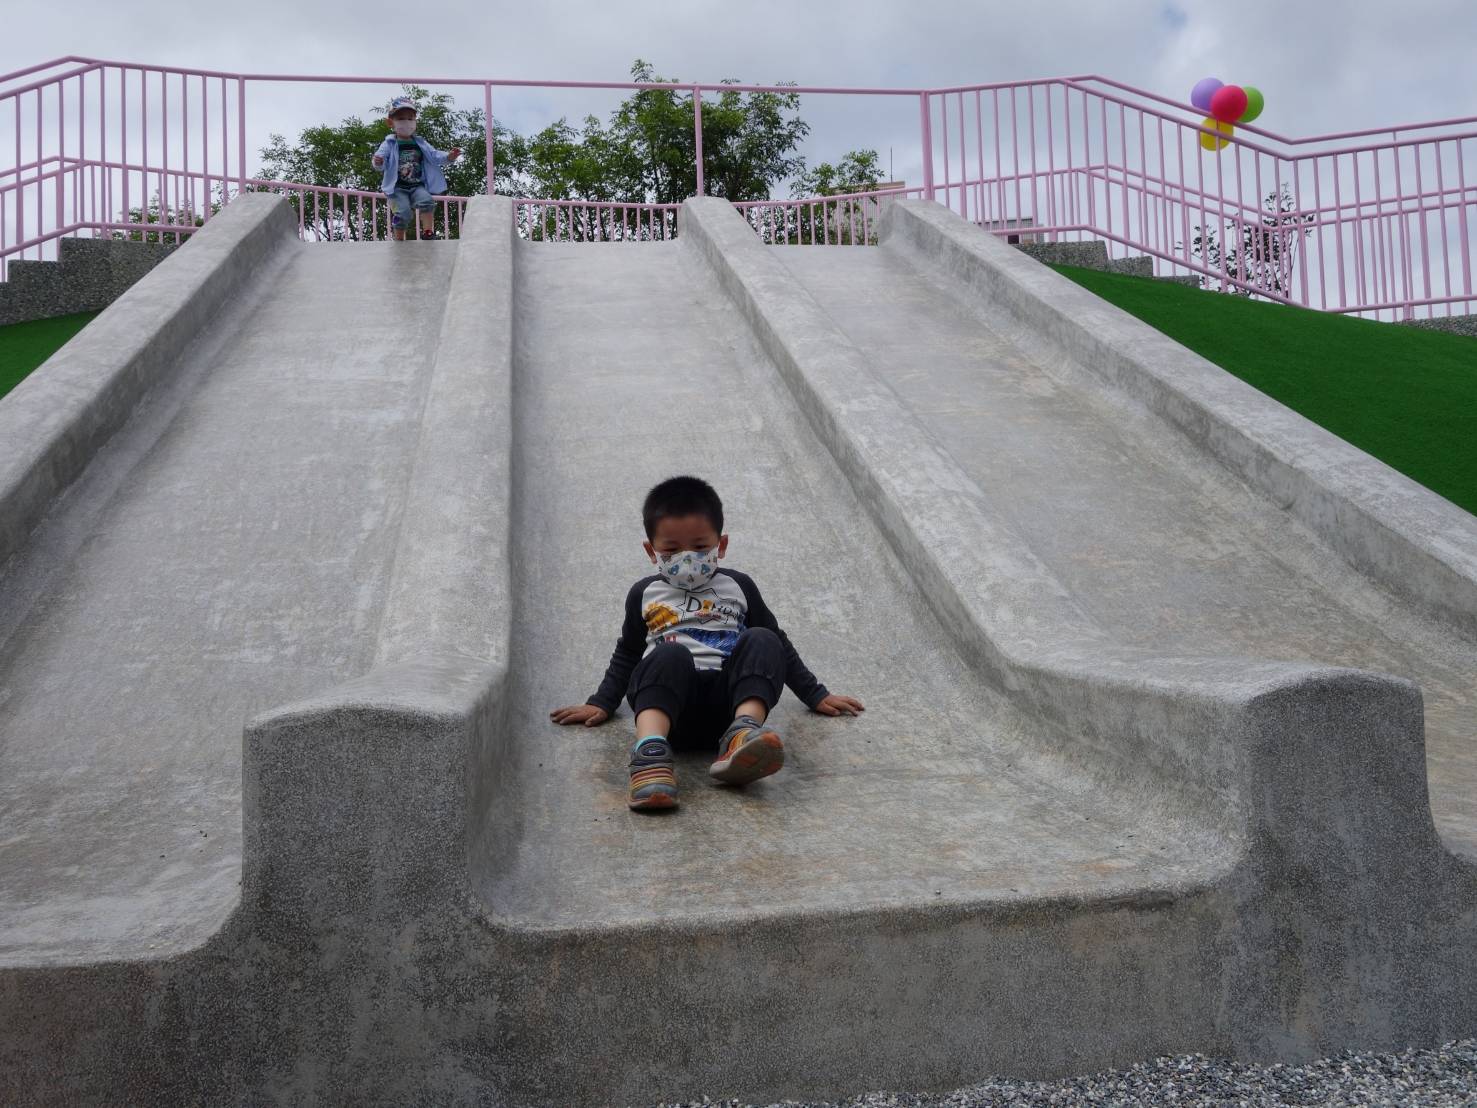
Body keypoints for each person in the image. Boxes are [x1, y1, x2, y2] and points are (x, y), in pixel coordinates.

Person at [550, 475, 864, 811]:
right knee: (668, 653)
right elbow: (628, 653)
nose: (687, 559)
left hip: (726, 709)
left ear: (721, 545)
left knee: (763, 638)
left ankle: (743, 735)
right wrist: (601, 702)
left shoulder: (739, 586)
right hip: (672, 711)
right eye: (671, 549)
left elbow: (779, 646)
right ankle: (650, 754)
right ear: (651, 550)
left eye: (700, 548)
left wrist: (816, 694)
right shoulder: (644, 593)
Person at [371, 96, 461, 241]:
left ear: (415, 122)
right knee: (403, 212)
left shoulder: (420, 142)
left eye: (410, 119)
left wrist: (449, 157)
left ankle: (428, 233)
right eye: (401, 119)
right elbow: (379, 161)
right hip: (397, 187)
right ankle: (399, 239)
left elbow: (434, 155)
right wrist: (378, 161)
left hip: (416, 185)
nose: (406, 122)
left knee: (427, 202)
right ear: (390, 122)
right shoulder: (389, 143)